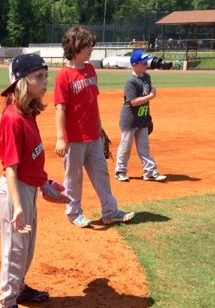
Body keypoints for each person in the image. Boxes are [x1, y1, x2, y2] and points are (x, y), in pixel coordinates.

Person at [0, 53, 69, 308]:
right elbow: (11, 169)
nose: (45, 81)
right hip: (15, 193)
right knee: (15, 250)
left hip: (27, 189)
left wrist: (45, 184)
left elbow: (31, 160)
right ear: (22, 82)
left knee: (26, 249)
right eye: (38, 77)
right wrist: (17, 207)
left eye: (45, 75)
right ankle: (6, 307)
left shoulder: (28, 113)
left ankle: (20, 288)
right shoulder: (13, 119)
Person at [54, 25, 134, 228]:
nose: (91, 50)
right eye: (88, 46)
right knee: (74, 178)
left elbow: (92, 104)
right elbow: (60, 109)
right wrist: (60, 138)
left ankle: (110, 211)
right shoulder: (64, 76)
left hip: (93, 136)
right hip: (74, 138)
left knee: (102, 174)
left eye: (91, 46)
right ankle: (74, 213)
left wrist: (100, 129)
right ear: (75, 47)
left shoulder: (90, 70)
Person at [114, 49, 167, 183]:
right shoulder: (131, 81)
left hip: (142, 118)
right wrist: (150, 96)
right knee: (126, 147)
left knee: (144, 147)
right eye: (142, 63)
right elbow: (133, 102)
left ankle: (150, 172)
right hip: (130, 119)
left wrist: (148, 119)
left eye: (146, 62)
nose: (145, 64)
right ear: (134, 64)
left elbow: (145, 102)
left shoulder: (147, 77)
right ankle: (120, 171)